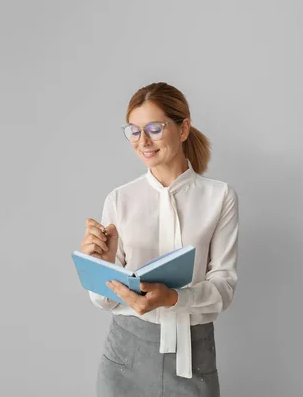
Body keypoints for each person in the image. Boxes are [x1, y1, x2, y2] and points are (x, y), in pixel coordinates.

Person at [80, 82, 239, 397]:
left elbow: (224, 286)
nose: (143, 141)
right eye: (134, 131)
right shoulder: (119, 199)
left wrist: (174, 299)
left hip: (193, 356)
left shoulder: (219, 197)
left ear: (183, 129)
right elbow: (104, 301)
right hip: (125, 356)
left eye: (154, 128)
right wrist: (102, 264)